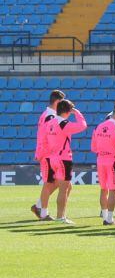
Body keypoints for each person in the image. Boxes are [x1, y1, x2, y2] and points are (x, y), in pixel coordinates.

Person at [44, 99, 88, 224]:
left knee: (68, 187)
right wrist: (78, 113)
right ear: (68, 111)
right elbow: (83, 125)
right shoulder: (63, 123)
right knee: (64, 188)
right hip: (63, 158)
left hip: (53, 157)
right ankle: (60, 217)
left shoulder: (51, 122)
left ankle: (61, 214)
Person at [91, 107, 115, 226]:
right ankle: (109, 219)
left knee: (103, 189)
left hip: (100, 161)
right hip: (113, 162)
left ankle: (105, 215)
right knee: (113, 190)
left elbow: (93, 148)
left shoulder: (98, 127)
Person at [31, 90, 65, 221]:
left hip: (47, 152)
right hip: (48, 153)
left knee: (59, 182)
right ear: (57, 102)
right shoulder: (50, 116)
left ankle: (39, 206)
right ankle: (43, 212)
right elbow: (48, 136)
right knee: (51, 182)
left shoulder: (46, 114)